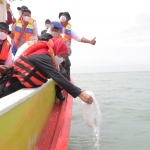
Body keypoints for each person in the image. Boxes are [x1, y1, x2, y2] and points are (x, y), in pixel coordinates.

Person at [0, 37, 93, 105]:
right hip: (12, 85)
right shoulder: (42, 56)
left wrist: (79, 90)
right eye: (61, 56)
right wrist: (79, 93)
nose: (62, 59)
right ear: (56, 51)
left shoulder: (47, 55)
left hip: (20, 84)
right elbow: (56, 75)